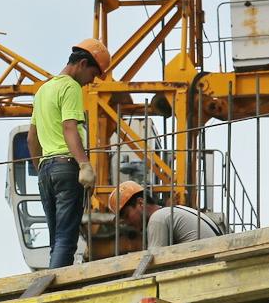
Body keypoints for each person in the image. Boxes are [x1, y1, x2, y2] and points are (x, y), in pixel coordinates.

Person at [27, 38, 111, 269]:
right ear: (83, 64)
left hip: (45, 170)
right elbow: (69, 128)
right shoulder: (71, 87)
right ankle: (57, 290)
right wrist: (84, 164)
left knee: (56, 238)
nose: (90, 82)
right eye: (93, 75)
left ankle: (51, 279)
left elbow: (31, 139)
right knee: (66, 237)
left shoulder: (43, 90)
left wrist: (42, 169)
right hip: (66, 166)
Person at [108, 180, 222, 252]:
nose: (127, 223)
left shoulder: (157, 219)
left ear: (141, 203)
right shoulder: (173, 211)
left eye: (127, 215)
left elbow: (155, 263)